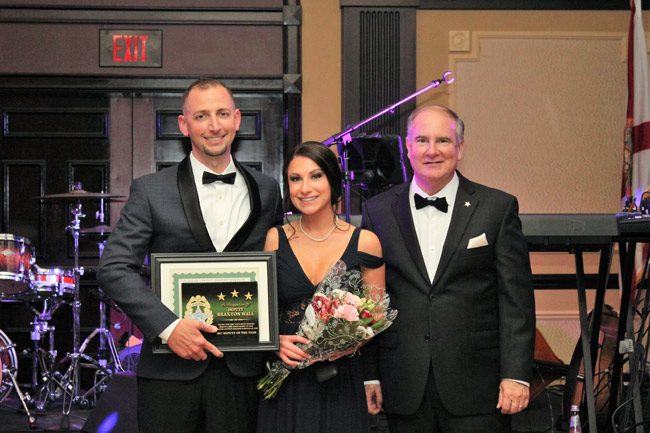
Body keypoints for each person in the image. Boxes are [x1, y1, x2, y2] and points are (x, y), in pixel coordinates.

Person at [96, 77, 283, 433]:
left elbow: (276, 271)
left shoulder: (268, 190)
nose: (214, 126)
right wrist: (169, 327)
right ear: (184, 125)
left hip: (243, 373)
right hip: (170, 375)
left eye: (222, 114)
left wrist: (282, 330)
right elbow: (114, 267)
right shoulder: (151, 190)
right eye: (201, 116)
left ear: (237, 119)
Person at [362, 105, 535, 433]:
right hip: (402, 385)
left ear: (460, 147)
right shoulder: (377, 211)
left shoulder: (497, 208)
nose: (432, 151)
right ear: (408, 148)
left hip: (478, 388)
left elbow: (516, 302)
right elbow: (372, 301)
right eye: (422, 140)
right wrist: (370, 374)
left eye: (443, 140)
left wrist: (515, 375)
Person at [257, 141, 385, 433]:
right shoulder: (274, 239)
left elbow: (376, 315)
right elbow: (261, 312)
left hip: (340, 380)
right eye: (295, 179)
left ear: (333, 180)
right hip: (286, 380)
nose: (305, 188)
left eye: (316, 176)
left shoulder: (366, 242)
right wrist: (274, 342)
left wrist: (348, 341)